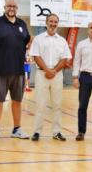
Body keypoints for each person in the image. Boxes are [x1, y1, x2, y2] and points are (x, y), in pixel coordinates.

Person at [0, 0, 31, 141]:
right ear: (4, 7)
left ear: (17, 8)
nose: (11, 8)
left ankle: (17, 129)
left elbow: (28, 41)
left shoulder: (22, 24)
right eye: (9, 6)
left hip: (18, 71)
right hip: (0, 70)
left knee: (17, 101)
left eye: (14, 6)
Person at [30, 13, 72, 142]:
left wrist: (54, 71)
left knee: (57, 105)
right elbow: (36, 56)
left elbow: (65, 58)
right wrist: (47, 70)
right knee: (40, 105)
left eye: (55, 22)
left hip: (57, 75)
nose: (53, 24)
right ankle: (37, 132)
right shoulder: (38, 39)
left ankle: (57, 132)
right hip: (41, 74)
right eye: (51, 22)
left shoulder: (62, 40)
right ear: (46, 23)